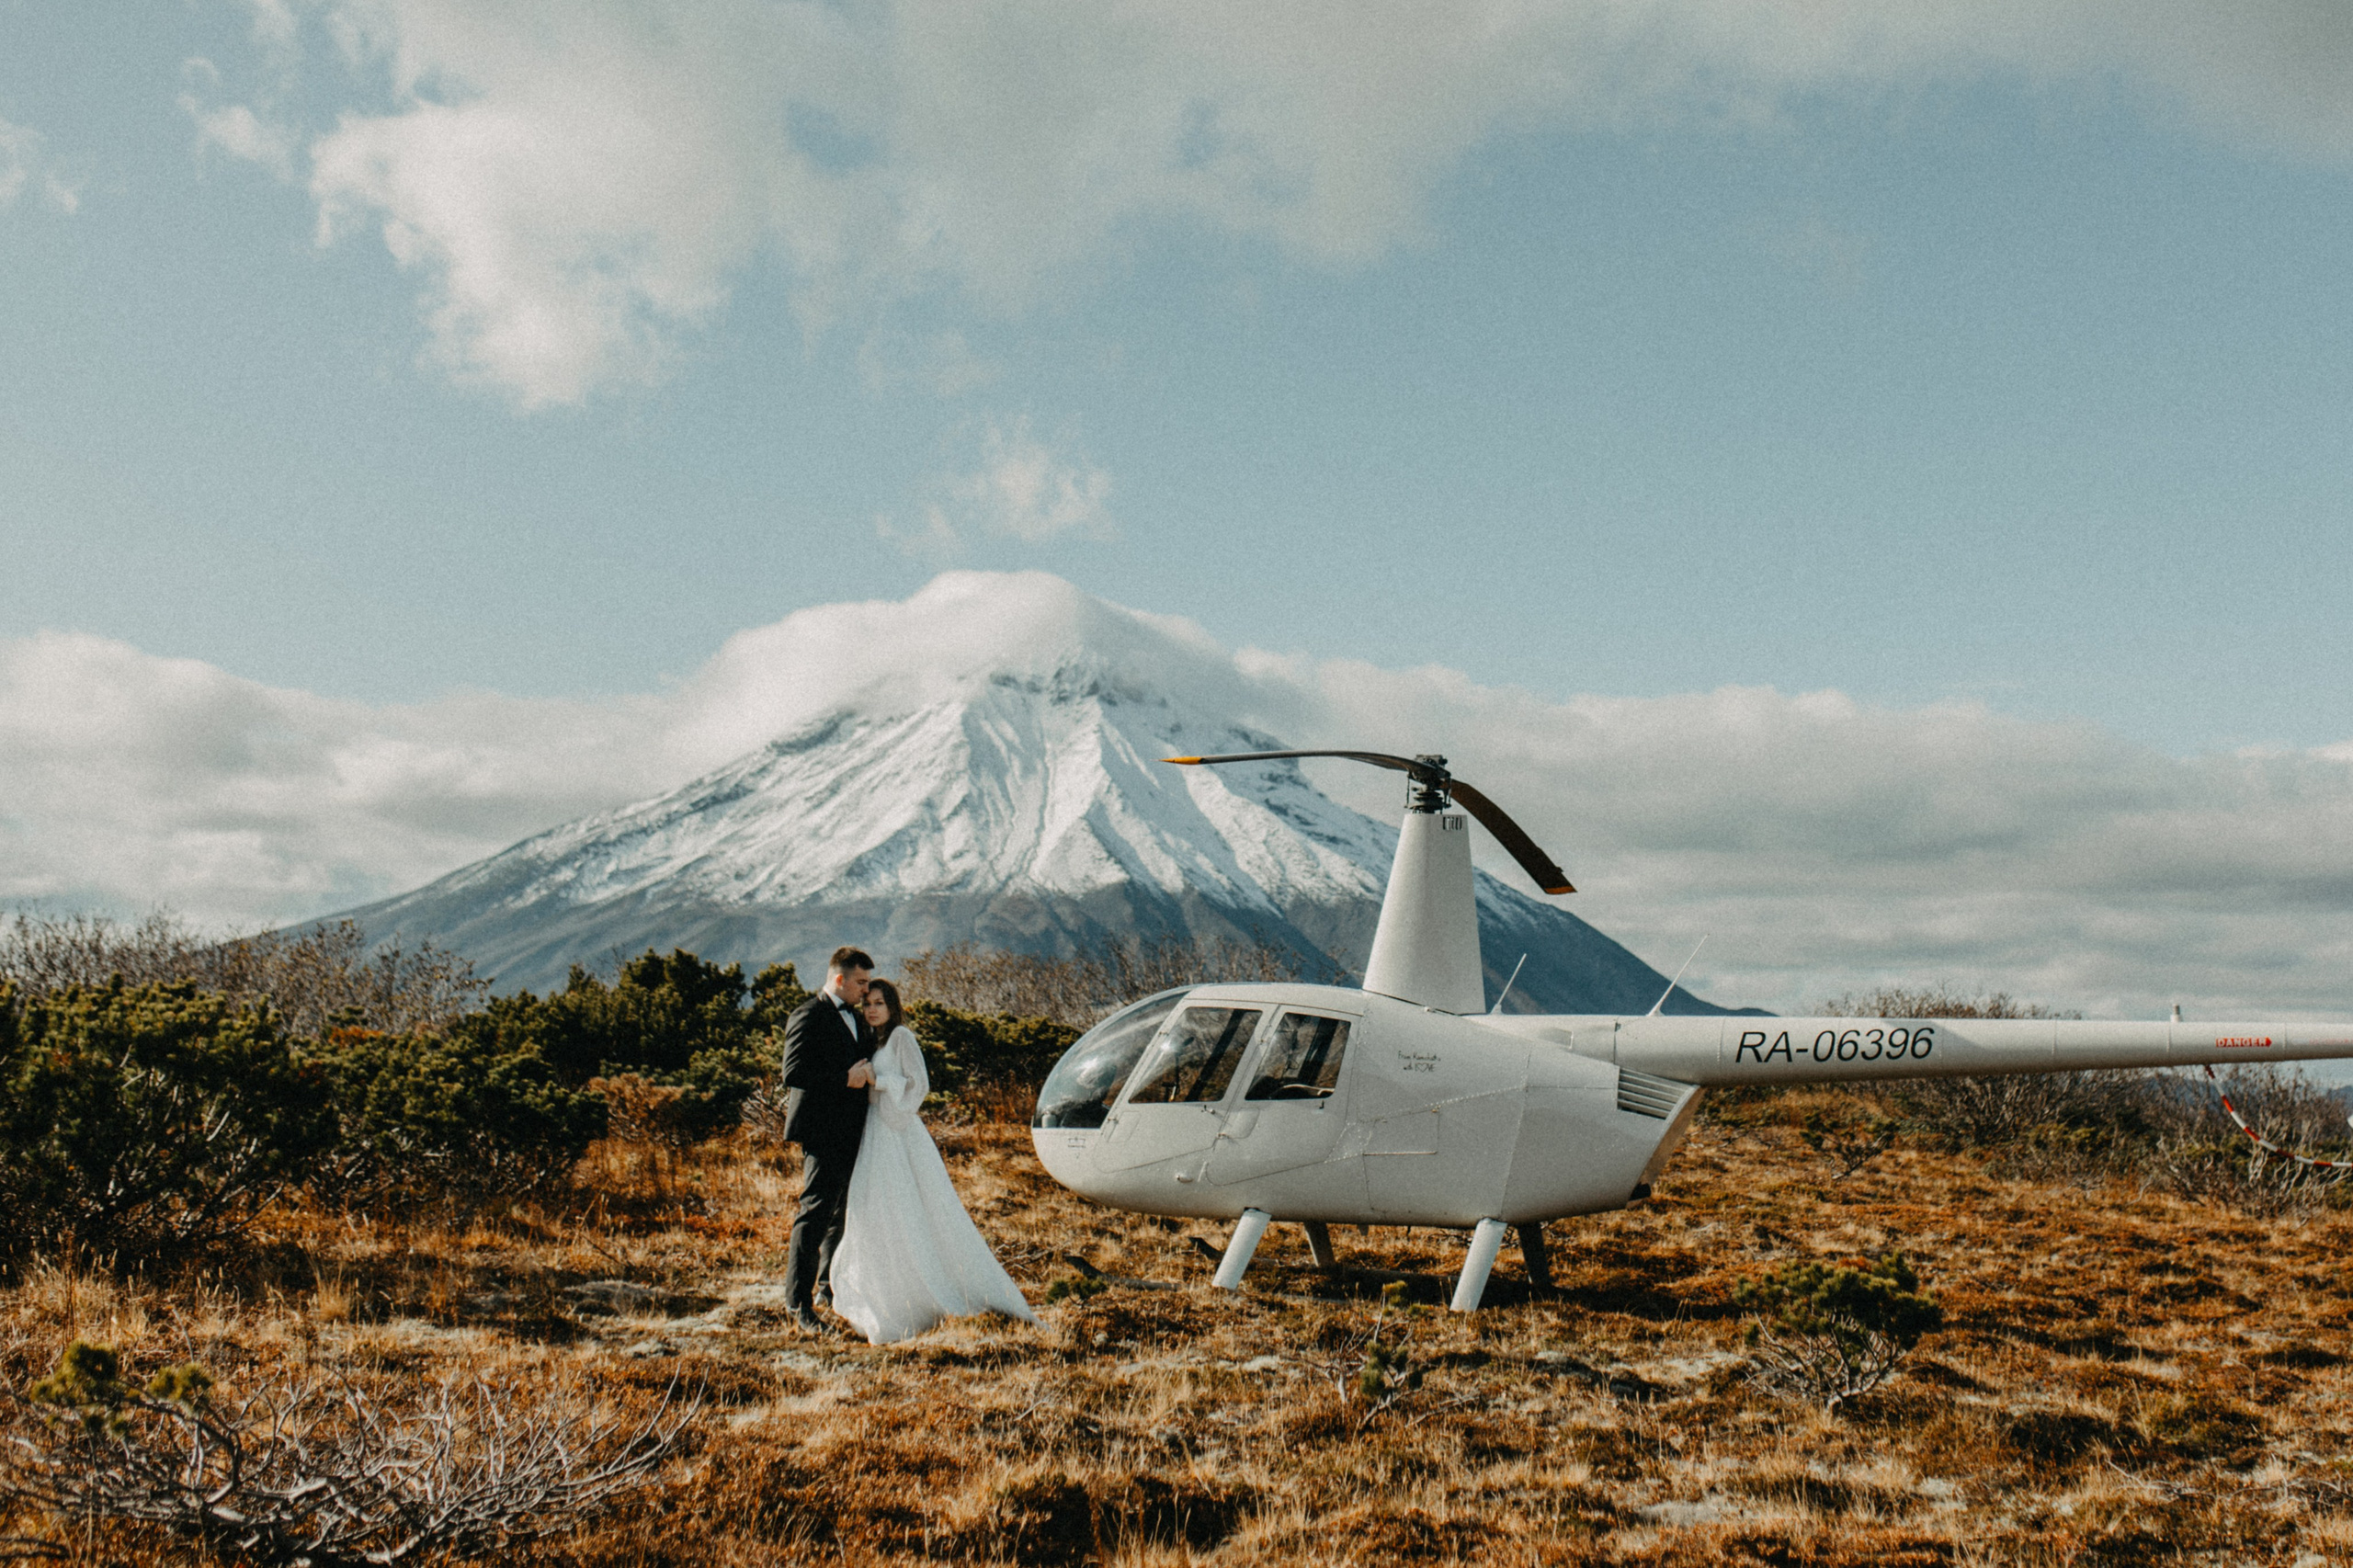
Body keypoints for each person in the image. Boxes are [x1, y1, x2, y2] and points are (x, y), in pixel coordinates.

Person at [829, 978, 1039, 1344]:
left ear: (893, 1006)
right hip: (875, 1132)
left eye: (880, 1002)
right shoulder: (874, 1040)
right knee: (876, 1210)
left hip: (897, 1132)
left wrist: (878, 1081)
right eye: (867, 1004)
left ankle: (926, 1291)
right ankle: (886, 1290)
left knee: (909, 1207)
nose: (872, 1009)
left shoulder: (901, 1038)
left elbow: (919, 1084)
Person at [779, 946, 879, 1335]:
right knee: (815, 1213)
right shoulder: (808, 1014)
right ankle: (798, 1304)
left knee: (841, 1214)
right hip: (823, 1131)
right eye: (860, 982)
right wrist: (844, 1079)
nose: (865, 990)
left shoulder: (856, 1017)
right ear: (839, 979)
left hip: (854, 1130)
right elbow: (794, 1072)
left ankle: (828, 1289)